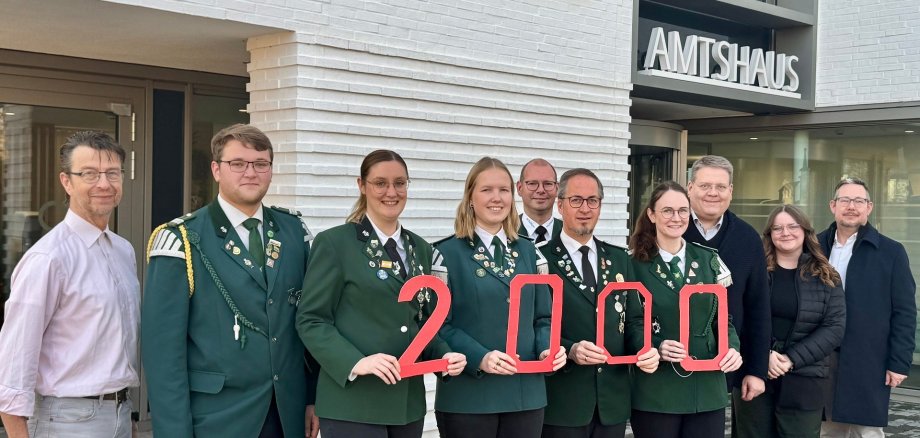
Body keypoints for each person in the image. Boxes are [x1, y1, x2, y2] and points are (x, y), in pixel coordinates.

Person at [142, 124, 319, 437]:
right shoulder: (181, 239)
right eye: (237, 164)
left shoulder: (294, 232)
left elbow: (309, 322)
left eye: (260, 164)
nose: (250, 172)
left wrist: (312, 397)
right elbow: (163, 357)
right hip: (216, 419)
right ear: (216, 170)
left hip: (286, 416)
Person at [296, 149, 466, 437]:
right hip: (352, 404)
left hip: (406, 405)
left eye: (400, 183)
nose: (391, 192)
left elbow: (421, 323)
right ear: (362, 186)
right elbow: (311, 320)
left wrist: (445, 356)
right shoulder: (335, 243)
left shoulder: (421, 249)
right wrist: (356, 362)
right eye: (380, 183)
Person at [0, 131, 139, 438]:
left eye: (112, 173)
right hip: (66, 421)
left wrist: (125, 420)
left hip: (119, 412)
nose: (104, 183)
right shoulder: (48, 258)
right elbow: (13, 364)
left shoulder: (123, 250)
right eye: (89, 173)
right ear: (67, 181)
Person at [433, 157, 566, 438]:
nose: (497, 198)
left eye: (504, 190)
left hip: (525, 394)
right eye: (487, 190)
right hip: (469, 395)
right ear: (470, 197)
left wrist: (546, 349)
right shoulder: (446, 254)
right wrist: (479, 357)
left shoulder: (531, 253)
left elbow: (544, 317)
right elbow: (438, 327)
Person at [540, 168, 659, 438]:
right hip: (562, 401)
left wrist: (644, 348)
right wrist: (568, 349)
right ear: (559, 205)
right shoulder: (541, 260)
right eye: (576, 200)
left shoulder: (619, 259)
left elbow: (634, 320)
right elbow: (534, 322)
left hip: (611, 401)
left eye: (593, 200)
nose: (585, 208)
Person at [628, 181, 743, 438]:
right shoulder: (633, 264)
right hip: (657, 390)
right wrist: (656, 345)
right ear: (652, 214)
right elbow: (629, 323)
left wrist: (732, 348)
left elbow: (722, 320)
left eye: (682, 211)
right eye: (667, 210)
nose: (676, 218)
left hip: (706, 388)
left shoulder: (709, 259)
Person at [733, 205, 846, 438]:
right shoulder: (753, 272)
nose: (786, 232)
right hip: (755, 373)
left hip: (805, 379)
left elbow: (834, 328)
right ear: (770, 234)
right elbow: (738, 318)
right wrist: (762, 355)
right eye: (778, 228)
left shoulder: (827, 276)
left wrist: (790, 359)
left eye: (793, 226)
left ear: (805, 231)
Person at [819, 177, 916, 437]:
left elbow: (905, 312)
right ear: (833, 205)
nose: (852, 206)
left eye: (859, 201)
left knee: (867, 431)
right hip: (821, 356)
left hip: (868, 359)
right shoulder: (814, 248)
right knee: (826, 430)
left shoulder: (891, 252)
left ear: (869, 207)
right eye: (845, 200)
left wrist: (899, 363)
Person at [683, 156, 771, 410]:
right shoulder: (668, 229)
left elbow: (758, 308)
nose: (713, 193)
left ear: (731, 191)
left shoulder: (747, 238)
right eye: (705, 185)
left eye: (721, 187)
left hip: (723, 364)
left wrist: (756, 370)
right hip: (670, 361)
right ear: (690, 188)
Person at [517, 158, 562, 242]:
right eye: (532, 183)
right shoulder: (503, 232)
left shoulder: (570, 233)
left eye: (548, 184)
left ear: (557, 189)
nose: (541, 190)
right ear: (519, 188)